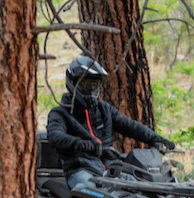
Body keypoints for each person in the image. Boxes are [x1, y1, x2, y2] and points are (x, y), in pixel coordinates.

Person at [46, 56, 176, 190]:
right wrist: (78, 143)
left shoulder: (104, 109)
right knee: (92, 192)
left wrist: (155, 138)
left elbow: (130, 126)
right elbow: (55, 135)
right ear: (73, 83)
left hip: (111, 168)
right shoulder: (60, 113)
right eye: (86, 84)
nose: (91, 89)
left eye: (94, 85)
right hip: (81, 170)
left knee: (144, 187)